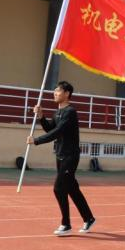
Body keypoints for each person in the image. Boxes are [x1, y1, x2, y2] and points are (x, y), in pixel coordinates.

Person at [30, 81, 95, 236]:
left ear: (66, 94)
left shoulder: (70, 112)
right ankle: (89, 218)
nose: (55, 93)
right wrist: (41, 116)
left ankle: (66, 224)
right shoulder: (58, 112)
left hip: (70, 156)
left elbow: (57, 132)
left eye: (58, 91)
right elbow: (50, 129)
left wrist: (36, 140)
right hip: (60, 155)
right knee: (72, 188)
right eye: (54, 91)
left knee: (58, 188)